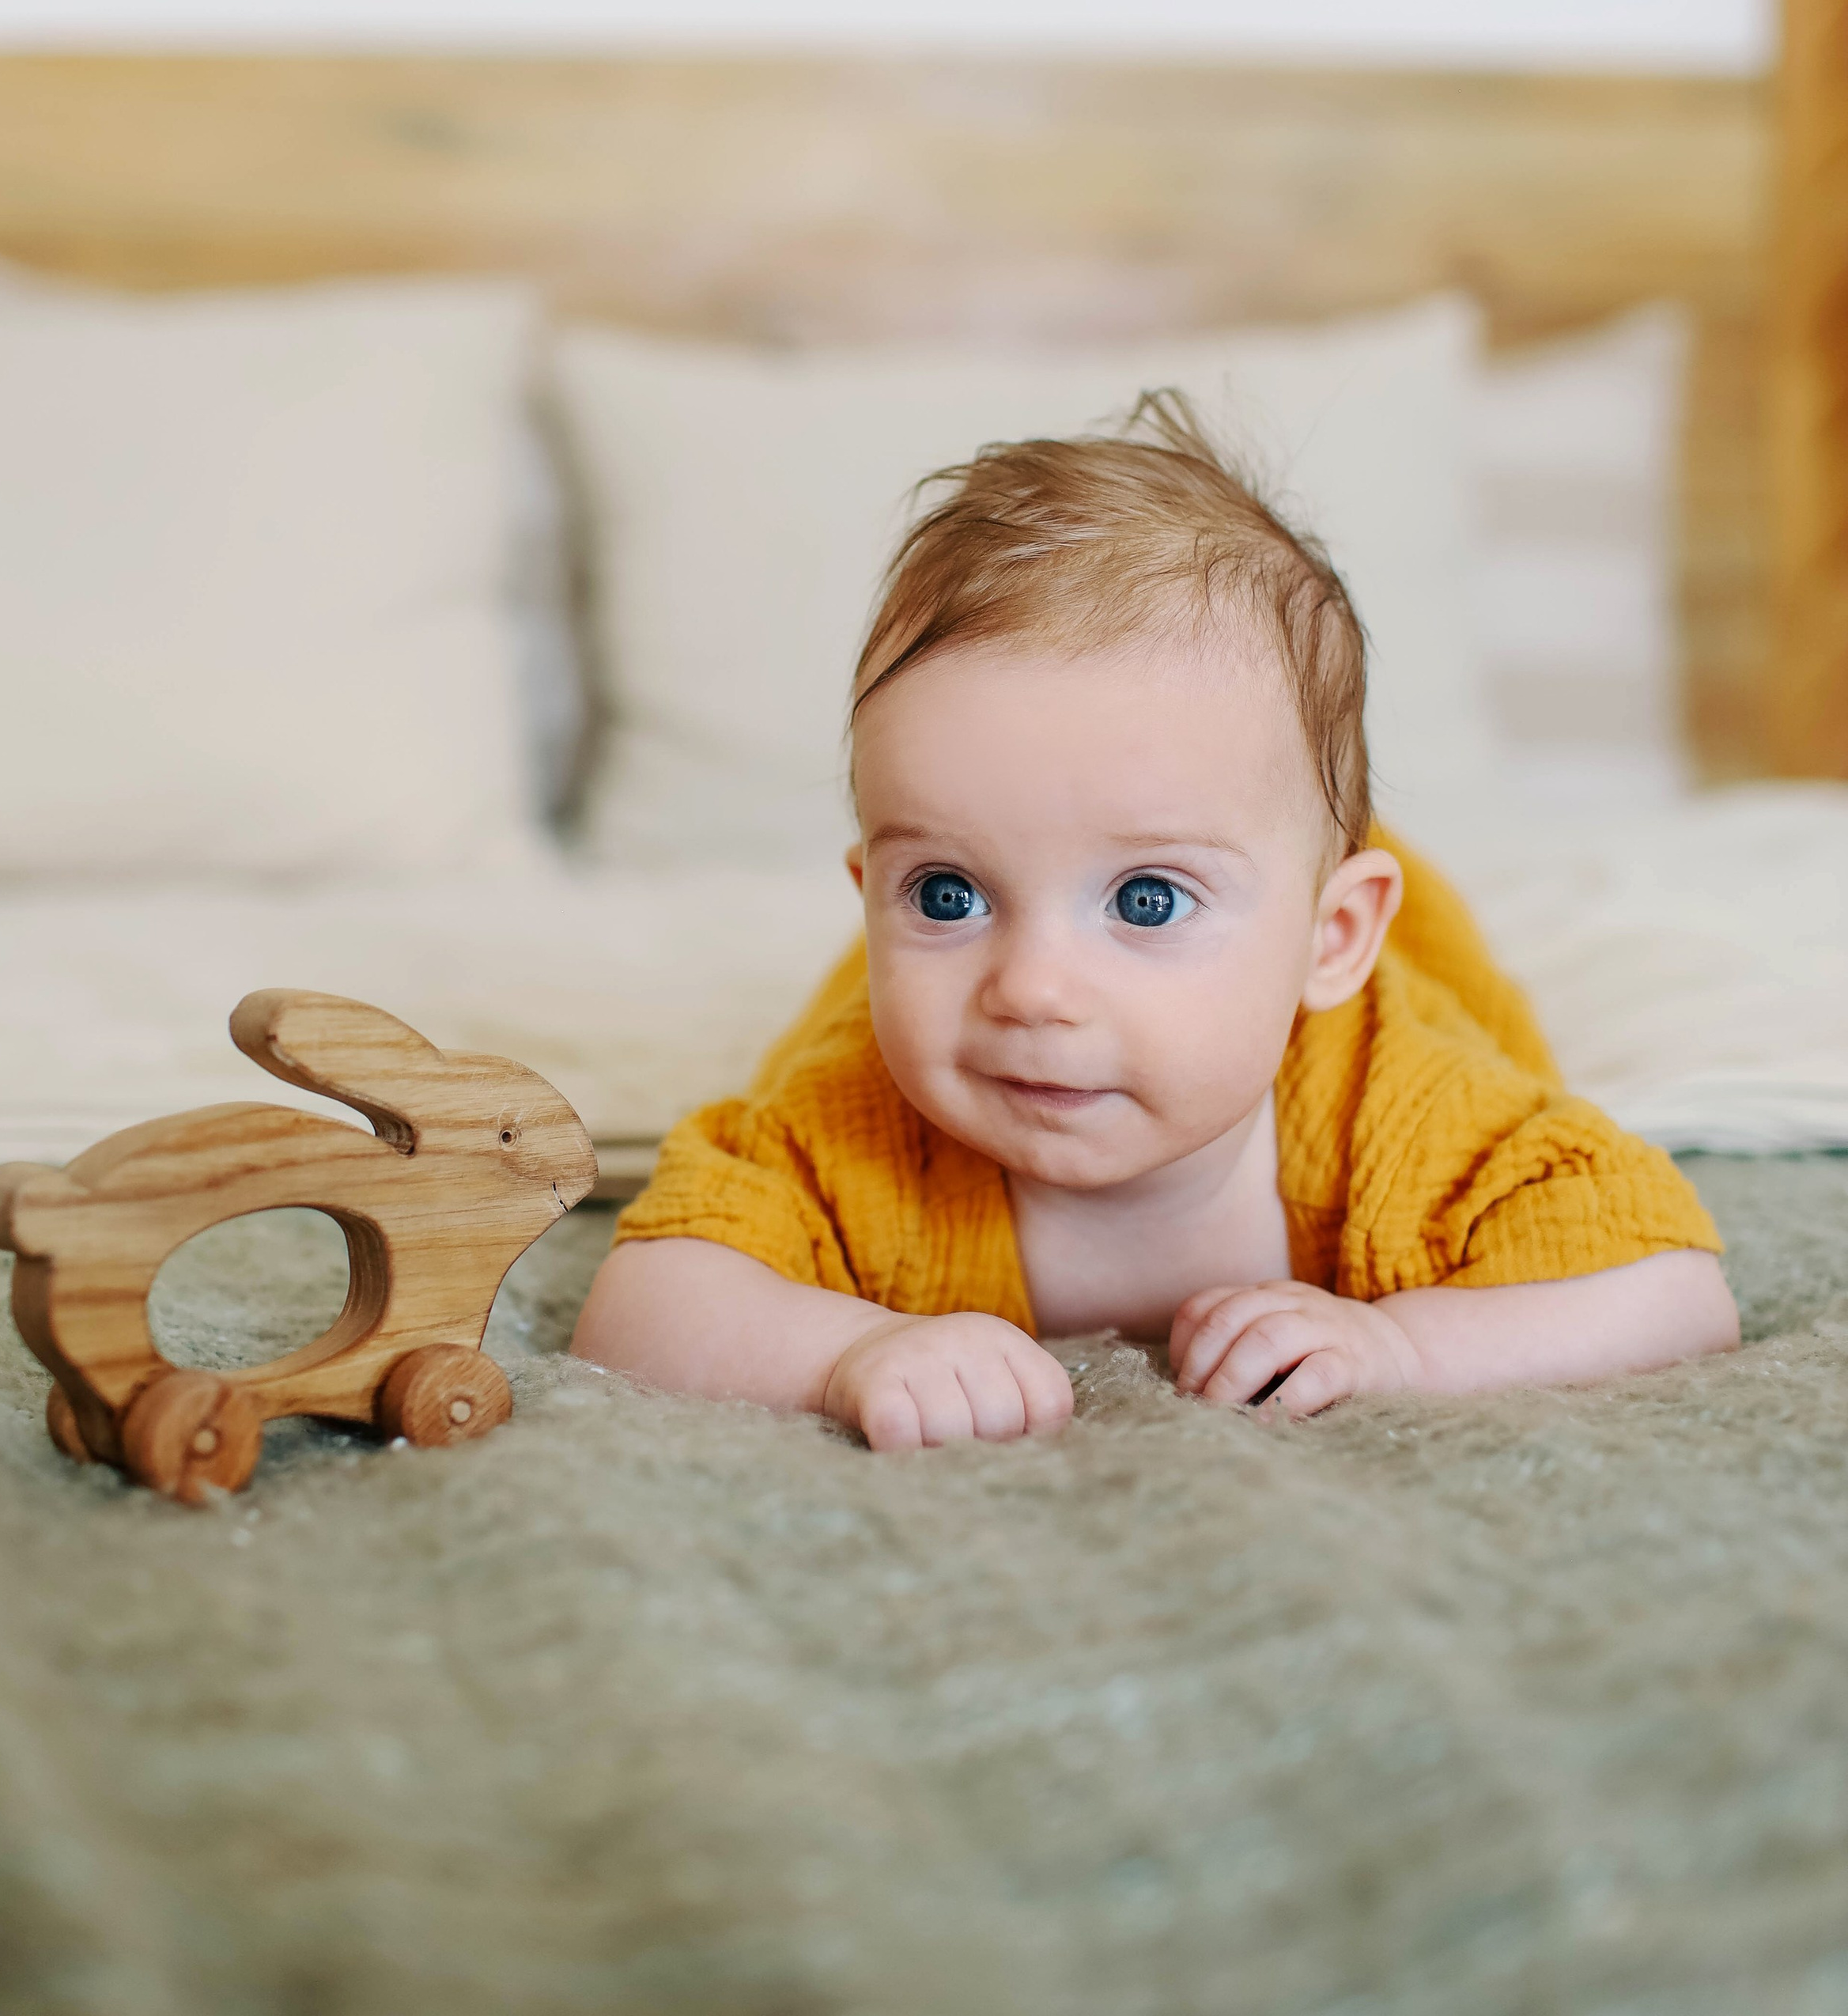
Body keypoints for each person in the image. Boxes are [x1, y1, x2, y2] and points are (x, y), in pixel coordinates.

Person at [573, 395, 1738, 1450]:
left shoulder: (1407, 1116)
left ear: (1331, 941)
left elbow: (1675, 1289)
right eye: (945, 893)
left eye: (1147, 901)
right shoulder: (861, 1127)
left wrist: (1410, 1347)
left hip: (1394, 968)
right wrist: (845, 1353)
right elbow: (644, 1299)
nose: (1030, 989)